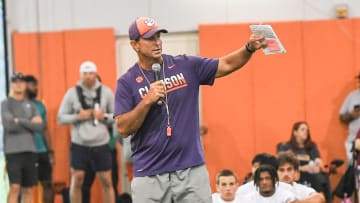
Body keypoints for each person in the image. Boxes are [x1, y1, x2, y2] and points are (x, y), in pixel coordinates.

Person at [114, 16, 266, 203]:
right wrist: (146, 101)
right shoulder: (126, 83)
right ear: (135, 44)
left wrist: (248, 48)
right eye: (150, 38)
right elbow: (122, 128)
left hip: (190, 170)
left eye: (158, 37)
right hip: (149, 174)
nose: (157, 42)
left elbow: (226, 64)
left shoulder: (185, 65)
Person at [57, 61, 115, 203]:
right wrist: (78, 116)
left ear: (96, 74)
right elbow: (60, 117)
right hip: (80, 144)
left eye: (91, 73)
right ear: (80, 75)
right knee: (77, 180)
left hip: (101, 143)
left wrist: (104, 116)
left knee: (107, 181)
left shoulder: (106, 92)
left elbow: (118, 116)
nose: (88, 77)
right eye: (85, 74)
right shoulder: (71, 93)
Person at [1, 72, 45, 203]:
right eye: (15, 82)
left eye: (21, 82)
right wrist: (29, 122)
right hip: (13, 150)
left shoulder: (31, 105)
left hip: (30, 150)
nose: (18, 85)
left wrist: (19, 120)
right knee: (15, 187)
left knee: (28, 188)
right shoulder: (6, 103)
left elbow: (39, 127)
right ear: (11, 85)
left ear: (25, 85)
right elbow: (9, 126)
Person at [277, 121, 331, 202]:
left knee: (322, 177)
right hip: (299, 171)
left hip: (310, 173)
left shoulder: (312, 146)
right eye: (302, 129)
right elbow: (282, 163)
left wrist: (318, 167)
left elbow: (319, 161)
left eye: (307, 130)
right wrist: (302, 168)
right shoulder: (285, 146)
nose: (306, 132)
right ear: (295, 132)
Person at [24, 74, 55, 203]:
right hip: (25, 151)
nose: (36, 88)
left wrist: (50, 151)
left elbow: (45, 129)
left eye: (36, 85)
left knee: (47, 184)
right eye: (32, 85)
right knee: (26, 187)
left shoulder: (40, 106)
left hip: (41, 151)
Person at [340, 72, 360, 164]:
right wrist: (352, 116)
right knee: (353, 172)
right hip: (353, 140)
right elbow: (341, 117)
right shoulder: (352, 96)